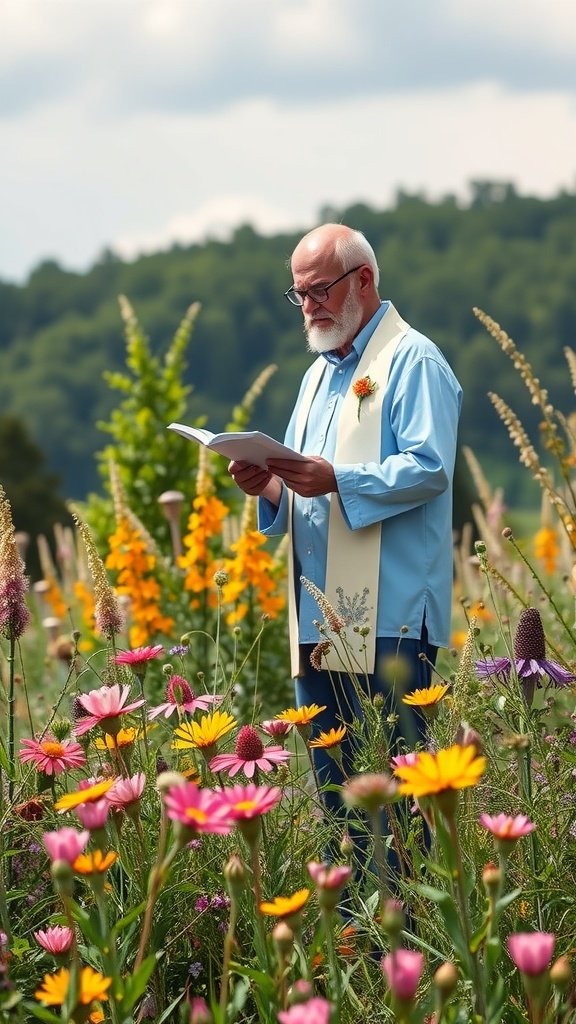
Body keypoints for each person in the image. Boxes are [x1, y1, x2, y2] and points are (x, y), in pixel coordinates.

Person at [228, 223, 462, 861]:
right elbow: (306, 490)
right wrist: (268, 487)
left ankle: (410, 942)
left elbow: (431, 466)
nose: (309, 306)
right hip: (319, 620)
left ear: (364, 280)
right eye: (298, 294)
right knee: (340, 808)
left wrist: (338, 478)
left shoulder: (413, 360)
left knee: (395, 805)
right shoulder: (314, 377)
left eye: (319, 290)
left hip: (388, 617)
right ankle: (359, 939)